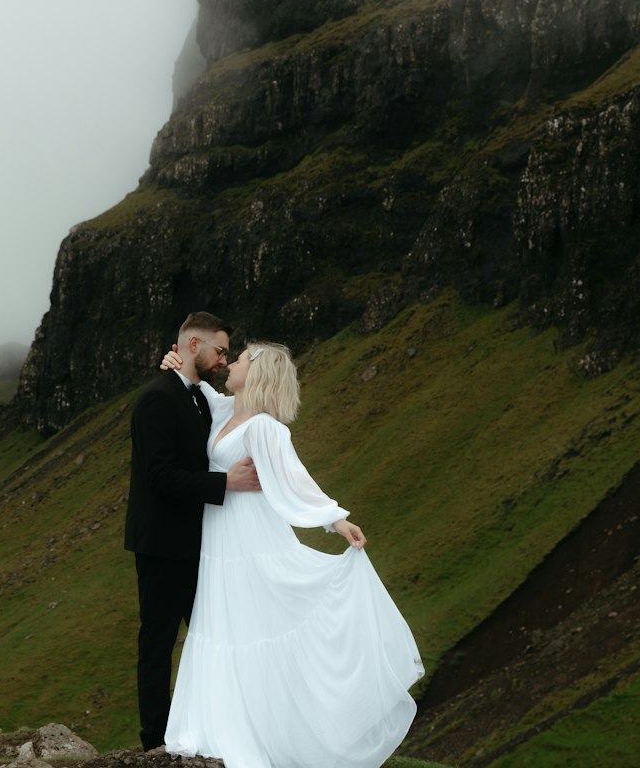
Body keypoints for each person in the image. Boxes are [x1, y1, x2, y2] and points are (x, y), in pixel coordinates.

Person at [155, 339, 424, 768]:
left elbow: (295, 480)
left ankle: (274, 735)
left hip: (251, 541)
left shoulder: (263, 427)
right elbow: (201, 392)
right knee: (224, 626)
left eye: (239, 359)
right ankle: (223, 731)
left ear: (256, 372)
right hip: (221, 544)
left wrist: (336, 519)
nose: (230, 364)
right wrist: (177, 366)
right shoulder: (228, 412)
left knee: (252, 629)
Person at [125, 311, 261, 752]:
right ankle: (154, 744)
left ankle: (207, 732)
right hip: (162, 546)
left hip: (196, 545)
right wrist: (227, 484)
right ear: (194, 346)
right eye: (220, 350)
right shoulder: (156, 399)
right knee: (158, 644)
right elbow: (160, 477)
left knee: (210, 638)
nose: (224, 360)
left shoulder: (199, 398)